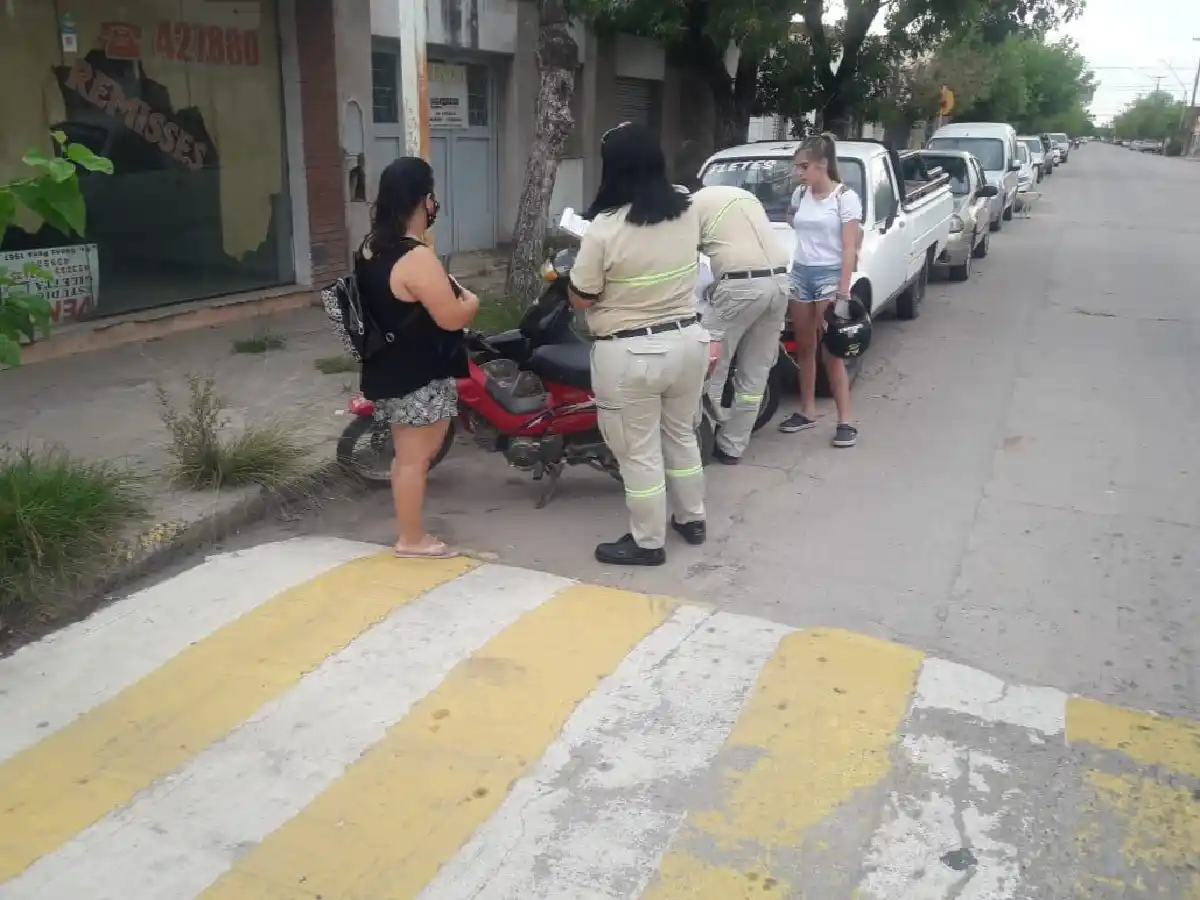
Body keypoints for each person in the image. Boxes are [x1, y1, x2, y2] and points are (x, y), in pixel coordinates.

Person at [568, 122, 711, 566]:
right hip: (688, 343)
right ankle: (692, 518)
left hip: (631, 355)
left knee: (638, 452)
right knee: (681, 436)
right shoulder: (687, 210)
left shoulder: (604, 230)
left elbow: (581, 295)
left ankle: (648, 542)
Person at [356, 157, 479, 558]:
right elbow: (450, 316)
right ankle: (412, 539)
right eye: (432, 195)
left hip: (388, 366)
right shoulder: (416, 257)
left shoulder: (370, 247)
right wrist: (471, 304)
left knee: (406, 455)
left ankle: (410, 532)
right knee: (414, 458)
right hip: (418, 373)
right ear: (424, 199)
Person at [693, 184, 790, 464]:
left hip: (740, 286)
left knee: (711, 369)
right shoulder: (743, 196)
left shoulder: (690, 207)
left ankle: (702, 443)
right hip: (781, 282)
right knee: (755, 373)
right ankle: (732, 447)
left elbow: (684, 262)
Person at [777, 133, 864, 448]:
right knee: (804, 346)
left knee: (833, 351)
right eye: (797, 167)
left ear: (822, 165)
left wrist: (843, 293)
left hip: (830, 276)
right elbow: (793, 221)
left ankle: (845, 421)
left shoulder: (844, 197)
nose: (799, 173)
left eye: (804, 166)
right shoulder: (801, 195)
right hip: (801, 273)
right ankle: (807, 410)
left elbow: (848, 248)